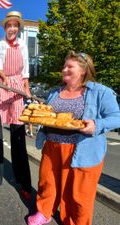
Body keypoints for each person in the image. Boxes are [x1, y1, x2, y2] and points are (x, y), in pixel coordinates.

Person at [28, 51, 120, 225]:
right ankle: (44, 211)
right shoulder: (55, 92)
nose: (64, 69)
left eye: (70, 66)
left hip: (83, 149)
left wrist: (96, 124)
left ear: (84, 70)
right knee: (48, 182)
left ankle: (77, 222)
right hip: (52, 146)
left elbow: (116, 117)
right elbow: (47, 116)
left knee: (80, 192)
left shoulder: (101, 92)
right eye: (64, 66)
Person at [0, 11, 32, 201]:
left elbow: (26, 69)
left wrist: (25, 89)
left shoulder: (23, 47)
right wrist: (6, 82)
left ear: (19, 28)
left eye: (15, 25)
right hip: (1, 86)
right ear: (5, 27)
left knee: (18, 137)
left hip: (18, 88)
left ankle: (24, 182)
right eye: (9, 25)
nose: (12, 28)